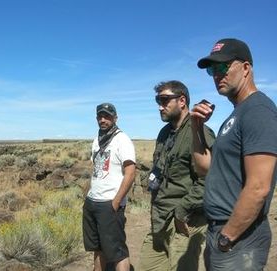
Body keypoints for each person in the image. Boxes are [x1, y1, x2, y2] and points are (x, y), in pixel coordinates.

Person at [190, 38, 277, 270]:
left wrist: (227, 237)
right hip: (220, 230)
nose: (217, 74)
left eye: (223, 66)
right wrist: (195, 126)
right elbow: (205, 168)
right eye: (212, 69)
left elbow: (259, 187)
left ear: (246, 68)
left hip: (240, 236)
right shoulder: (236, 114)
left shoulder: (258, 111)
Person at [140, 80, 214, 271]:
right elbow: (160, 170)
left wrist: (182, 210)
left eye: (164, 100)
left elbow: (210, 178)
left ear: (182, 101)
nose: (160, 106)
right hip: (159, 221)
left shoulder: (199, 132)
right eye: (158, 100)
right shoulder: (164, 133)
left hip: (184, 224)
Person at [84, 102, 137, 271]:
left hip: (109, 203)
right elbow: (96, 170)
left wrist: (116, 202)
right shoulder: (96, 140)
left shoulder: (122, 139)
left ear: (115, 118)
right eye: (100, 116)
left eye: (107, 116)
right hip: (93, 202)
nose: (103, 119)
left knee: (117, 251)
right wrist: (88, 196)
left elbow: (130, 172)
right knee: (98, 247)